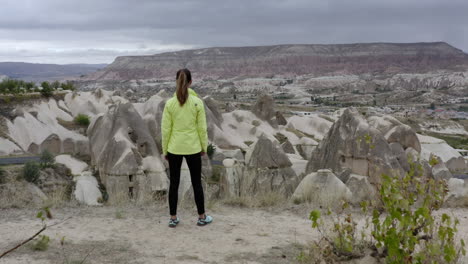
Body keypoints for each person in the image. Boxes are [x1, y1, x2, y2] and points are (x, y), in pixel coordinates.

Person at [161, 68, 213, 228]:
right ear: (190, 82)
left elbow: (165, 130)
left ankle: (173, 218)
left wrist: (165, 150)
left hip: (174, 147)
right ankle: (202, 217)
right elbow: (202, 128)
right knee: (196, 182)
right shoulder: (198, 103)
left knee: (174, 184)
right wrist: (203, 147)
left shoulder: (169, 104)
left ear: (176, 81)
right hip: (193, 147)